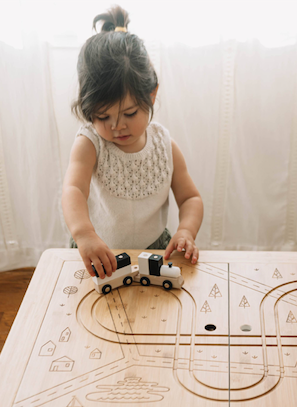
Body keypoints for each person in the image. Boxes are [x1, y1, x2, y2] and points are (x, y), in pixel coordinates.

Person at [62, 5, 203, 280]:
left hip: (155, 250)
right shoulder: (90, 144)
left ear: (151, 96)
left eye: (129, 114)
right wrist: (84, 234)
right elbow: (73, 190)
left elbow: (190, 198)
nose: (117, 127)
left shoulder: (165, 145)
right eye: (103, 116)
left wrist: (186, 230)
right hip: (100, 250)